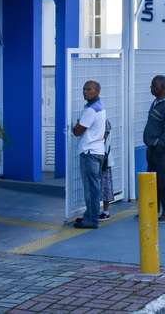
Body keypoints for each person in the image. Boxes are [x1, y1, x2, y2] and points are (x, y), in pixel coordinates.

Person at [143, 75, 165, 223]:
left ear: (163, 88)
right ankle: (152, 210)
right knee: (152, 181)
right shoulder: (157, 102)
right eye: (152, 85)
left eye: (154, 86)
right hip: (152, 148)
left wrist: (160, 145)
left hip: (162, 151)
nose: (151, 88)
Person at [71, 81, 106, 229]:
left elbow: (78, 130)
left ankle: (91, 220)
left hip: (89, 152)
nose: (85, 92)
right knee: (93, 187)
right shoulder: (99, 106)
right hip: (97, 150)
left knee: (91, 188)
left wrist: (76, 126)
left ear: (97, 91)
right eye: (84, 89)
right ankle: (90, 215)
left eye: (89, 89)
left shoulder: (91, 110)